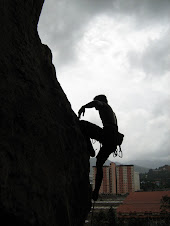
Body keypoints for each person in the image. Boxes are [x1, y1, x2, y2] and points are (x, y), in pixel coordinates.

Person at [78, 95, 118, 201]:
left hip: (107, 135)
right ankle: (95, 192)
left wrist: (84, 106)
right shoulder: (111, 112)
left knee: (82, 124)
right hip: (112, 140)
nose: (95, 106)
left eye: (96, 101)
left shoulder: (104, 106)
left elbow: (97, 103)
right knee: (99, 164)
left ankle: (90, 150)